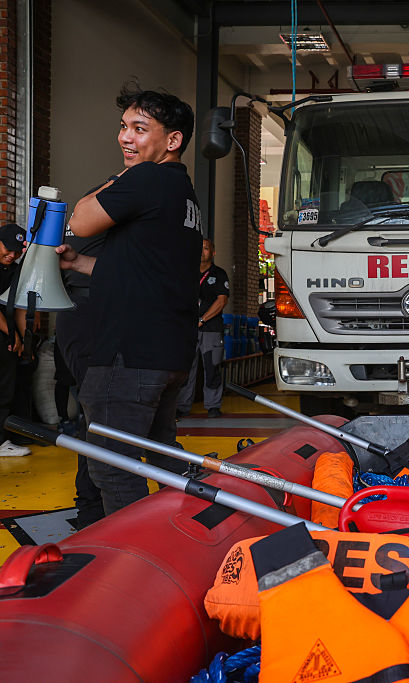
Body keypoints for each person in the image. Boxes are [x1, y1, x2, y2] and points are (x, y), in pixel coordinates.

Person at [57, 84, 203, 515]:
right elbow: (147, 272)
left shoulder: (146, 177)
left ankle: (137, 557)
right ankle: (189, 537)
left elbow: (80, 219)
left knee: (111, 466)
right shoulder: (182, 193)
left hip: (128, 354)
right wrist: (79, 265)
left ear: (172, 140)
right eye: (123, 127)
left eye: (140, 129)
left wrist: (116, 178)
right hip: (165, 352)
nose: (125, 138)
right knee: (161, 454)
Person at [55, 175, 112, 529]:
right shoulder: (100, 217)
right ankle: (91, 507)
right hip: (86, 314)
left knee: (97, 413)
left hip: (80, 314)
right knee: (98, 413)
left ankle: (91, 504)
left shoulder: (82, 220)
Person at [177, 238, 229, 419]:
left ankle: (213, 406)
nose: (202, 252)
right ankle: (182, 406)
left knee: (212, 367)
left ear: (213, 253)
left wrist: (202, 319)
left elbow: (221, 301)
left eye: (206, 248)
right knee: (185, 369)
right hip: (187, 330)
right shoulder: (186, 273)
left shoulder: (219, 274)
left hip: (211, 330)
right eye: (199, 248)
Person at [0, 223, 29, 457]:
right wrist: (13, 335)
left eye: (17, 252)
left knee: (6, 388)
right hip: (4, 334)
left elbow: (19, 307)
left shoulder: (15, 271)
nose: (12, 255)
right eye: (8, 249)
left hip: (6, 338)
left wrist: (21, 340)